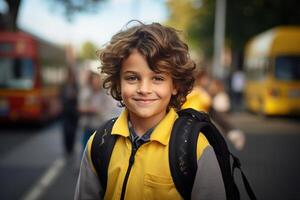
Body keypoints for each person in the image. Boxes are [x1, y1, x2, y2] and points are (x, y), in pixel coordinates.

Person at [75, 21, 226, 200]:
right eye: (132, 78)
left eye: (157, 78)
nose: (144, 89)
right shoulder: (99, 143)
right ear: (118, 82)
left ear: (175, 85)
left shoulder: (195, 149)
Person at [182, 69, 246, 150]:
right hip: (191, 121)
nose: (205, 81)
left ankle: (233, 133)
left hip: (199, 121)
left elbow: (209, 104)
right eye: (203, 78)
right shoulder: (195, 91)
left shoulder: (200, 91)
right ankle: (233, 133)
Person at [60, 67, 79, 157]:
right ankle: (67, 149)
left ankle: (71, 148)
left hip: (74, 113)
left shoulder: (76, 86)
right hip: (66, 112)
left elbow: (79, 97)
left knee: (73, 131)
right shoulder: (64, 86)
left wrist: (74, 96)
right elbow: (61, 96)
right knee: (66, 131)